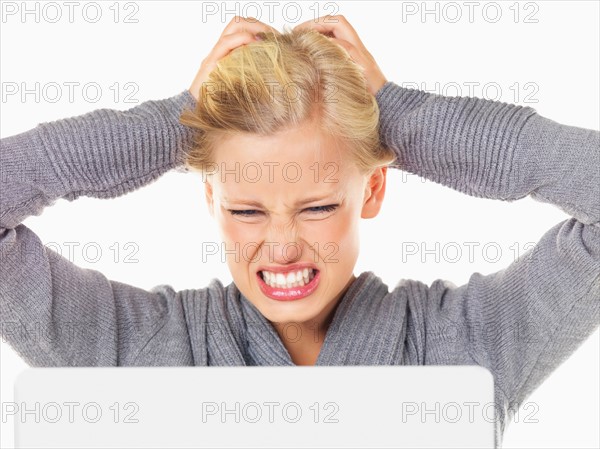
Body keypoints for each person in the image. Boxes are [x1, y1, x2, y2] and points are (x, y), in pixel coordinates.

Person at [1, 15, 598, 447]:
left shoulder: (466, 342)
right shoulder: (133, 348)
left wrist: (404, 116)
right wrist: (174, 123)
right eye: (247, 210)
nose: (283, 246)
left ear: (371, 190)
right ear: (210, 197)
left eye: (315, 208)